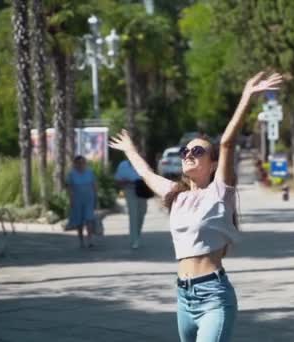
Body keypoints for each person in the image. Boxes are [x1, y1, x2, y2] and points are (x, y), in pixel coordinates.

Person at [109, 71, 282, 342]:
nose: (189, 154)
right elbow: (146, 173)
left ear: (212, 164)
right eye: (185, 151)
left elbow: (226, 143)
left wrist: (247, 97)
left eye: (198, 151)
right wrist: (130, 149)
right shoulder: (176, 194)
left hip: (213, 296)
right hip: (183, 297)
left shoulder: (219, 192)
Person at [115, 159, 148, 249]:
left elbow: (150, 176)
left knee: (142, 213)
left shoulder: (142, 163)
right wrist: (126, 182)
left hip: (142, 190)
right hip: (130, 190)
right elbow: (117, 180)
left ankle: (137, 234)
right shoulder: (123, 165)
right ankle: (134, 240)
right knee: (133, 215)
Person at [66, 156, 98, 248]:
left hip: (89, 198)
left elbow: (94, 186)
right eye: (78, 163)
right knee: (79, 221)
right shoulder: (71, 174)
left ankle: (90, 240)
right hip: (77, 199)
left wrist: (96, 198)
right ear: (75, 164)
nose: (81, 165)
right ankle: (81, 240)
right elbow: (70, 188)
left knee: (89, 219)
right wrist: (71, 200)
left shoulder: (90, 172)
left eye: (82, 162)